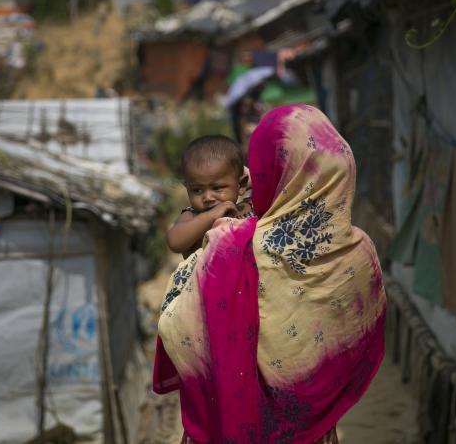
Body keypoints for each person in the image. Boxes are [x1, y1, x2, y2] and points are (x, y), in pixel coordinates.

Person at [154, 105, 386, 443]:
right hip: (311, 422)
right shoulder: (357, 251)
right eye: (198, 190)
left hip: (230, 418)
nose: (208, 198)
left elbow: (180, 325)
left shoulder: (233, 241)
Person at [166, 135, 253, 258]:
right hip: (205, 276)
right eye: (197, 190)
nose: (208, 198)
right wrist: (210, 216)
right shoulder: (192, 216)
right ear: (187, 188)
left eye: (217, 188)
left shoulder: (247, 209)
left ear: (241, 184)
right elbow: (174, 241)